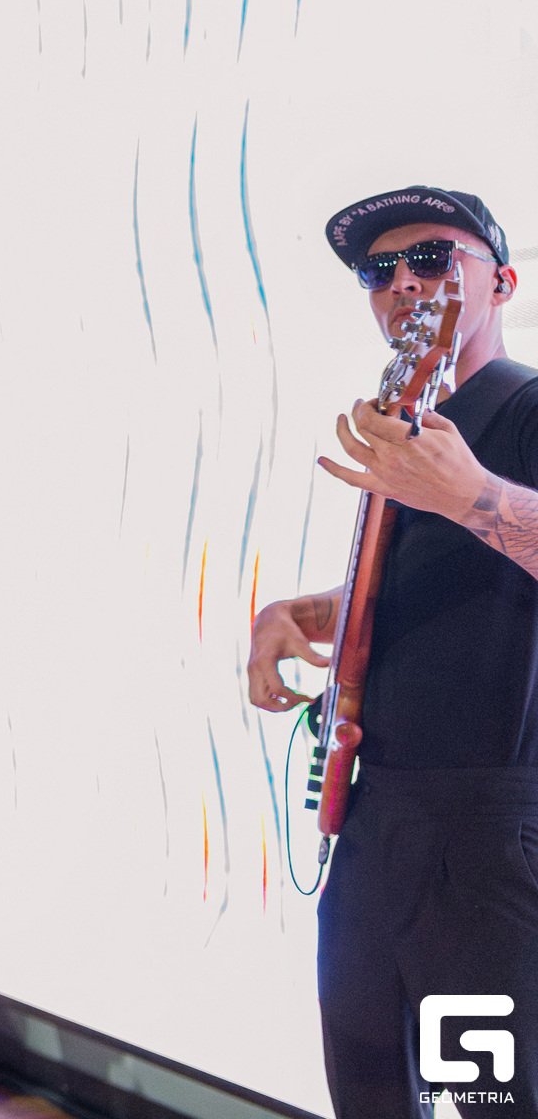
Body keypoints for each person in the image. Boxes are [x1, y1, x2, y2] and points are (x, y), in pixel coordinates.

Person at [247, 187, 538, 1118]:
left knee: (489, 1101)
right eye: (381, 271)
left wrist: (473, 496)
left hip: (487, 836)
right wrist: (299, 613)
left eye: (434, 259)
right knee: (369, 1094)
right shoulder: (410, 427)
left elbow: (494, 522)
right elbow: (444, 583)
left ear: (500, 282)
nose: (405, 282)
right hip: (379, 823)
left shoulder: (526, 409)